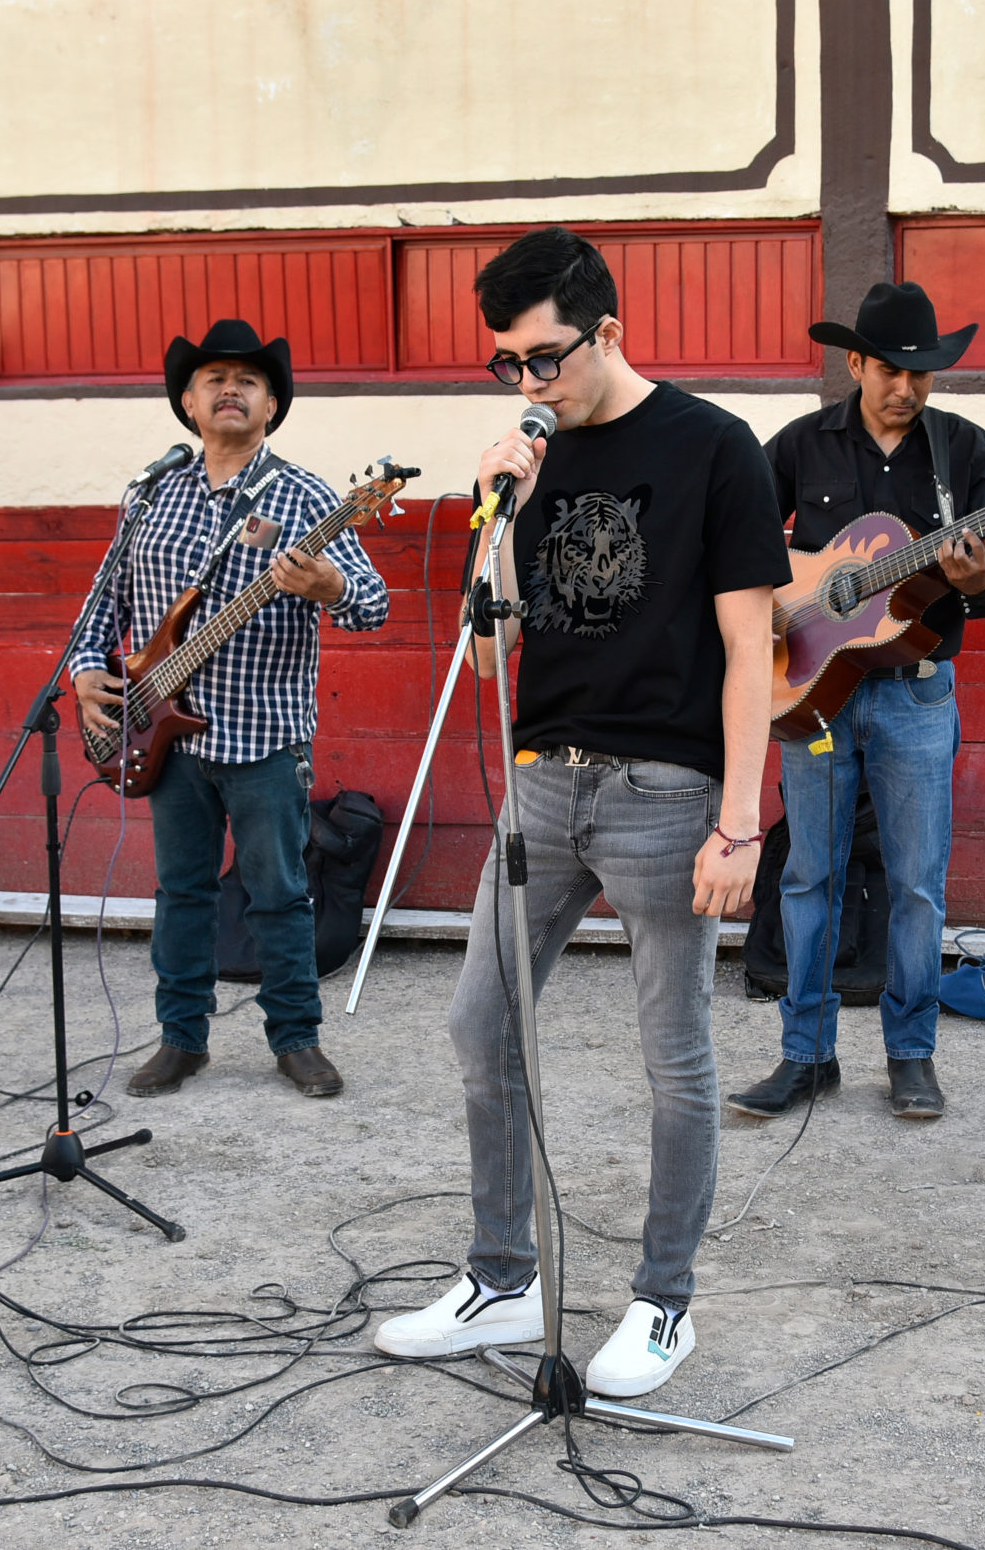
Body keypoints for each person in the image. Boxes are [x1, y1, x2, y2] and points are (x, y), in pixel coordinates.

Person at [372, 227, 788, 1398]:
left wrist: (741, 818)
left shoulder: (712, 445)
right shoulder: (527, 458)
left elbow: (749, 644)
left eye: (545, 357)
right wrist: (501, 509)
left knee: (673, 1054)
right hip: (541, 779)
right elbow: (496, 637)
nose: (526, 383)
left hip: (666, 788)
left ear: (609, 329)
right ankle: (502, 1276)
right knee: (477, 1023)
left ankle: (664, 1301)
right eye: (504, 363)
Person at [726, 282, 985, 1123]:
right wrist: (789, 601)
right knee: (810, 874)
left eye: (923, 372)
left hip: (915, 696)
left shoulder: (967, 452)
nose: (907, 387)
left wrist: (976, 580)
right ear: (853, 362)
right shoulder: (798, 445)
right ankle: (805, 1055)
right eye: (891, 369)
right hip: (814, 688)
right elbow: (738, 538)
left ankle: (912, 1055)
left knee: (918, 886)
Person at [68, 320, 388, 1101]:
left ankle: (296, 1039)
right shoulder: (150, 495)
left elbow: (373, 603)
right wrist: (84, 671)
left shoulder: (308, 496)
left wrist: (328, 588)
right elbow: (104, 601)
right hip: (162, 731)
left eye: (248, 380)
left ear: (272, 404)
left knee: (278, 892)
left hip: (263, 735)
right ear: (187, 400)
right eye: (214, 378)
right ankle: (182, 1038)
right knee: (182, 892)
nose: (231, 389)